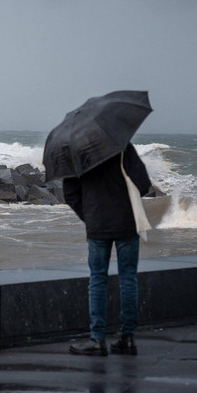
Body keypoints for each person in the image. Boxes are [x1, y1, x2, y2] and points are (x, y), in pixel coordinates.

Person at [62, 142, 152, 356]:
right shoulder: (123, 146)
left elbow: (70, 193)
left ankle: (97, 339)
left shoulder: (79, 152)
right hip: (127, 222)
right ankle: (128, 338)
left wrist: (89, 216)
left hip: (98, 224)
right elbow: (144, 184)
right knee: (128, 279)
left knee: (98, 280)